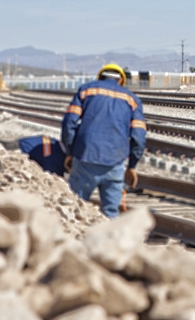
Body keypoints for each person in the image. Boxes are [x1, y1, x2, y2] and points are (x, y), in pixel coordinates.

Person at [61, 63, 146, 218]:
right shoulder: (132, 100)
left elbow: (69, 124)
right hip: (115, 162)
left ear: (100, 76)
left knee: (75, 208)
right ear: (121, 80)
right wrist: (132, 166)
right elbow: (138, 136)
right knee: (111, 213)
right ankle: (108, 241)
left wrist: (70, 152)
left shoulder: (86, 91)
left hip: (85, 158)